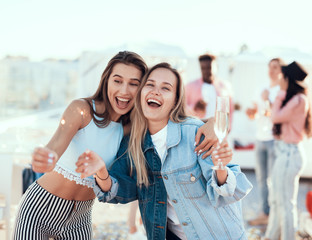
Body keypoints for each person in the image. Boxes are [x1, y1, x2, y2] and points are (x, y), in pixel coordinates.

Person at [76, 62, 253, 240]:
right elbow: (121, 191)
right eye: (150, 85)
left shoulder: (194, 133)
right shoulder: (133, 144)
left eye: (165, 88)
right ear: (141, 94)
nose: (156, 91)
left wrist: (221, 168)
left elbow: (226, 194)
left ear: (175, 101)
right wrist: (101, 172)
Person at [12, 51, 148, 239]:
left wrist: (205, 124)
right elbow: (55, 147)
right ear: (106, 80)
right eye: (117, 80)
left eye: (134, 84)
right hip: (38, 210)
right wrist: (46, 159)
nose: (124, 91)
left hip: (80, 219)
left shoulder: (129, 129)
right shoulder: (82, 110)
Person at [264, 61, 312, 240]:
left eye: (282, 76)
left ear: (287, 79)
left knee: (286, 204)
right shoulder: (296, 98)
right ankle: (270, 236)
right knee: (276, 201)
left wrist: (280, 93)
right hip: (285, 153)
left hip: (290, 154)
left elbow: (276, 117)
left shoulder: (299, 99)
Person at [246, 58, 284, 226]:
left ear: (281, 70)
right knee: (261, 179)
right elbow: (254, 113)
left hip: (274, 140)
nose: (271, 70)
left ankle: (275, 215)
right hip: (259, 138)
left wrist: (268, 101)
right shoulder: (260, 88)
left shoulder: (282, 91)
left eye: (275, 67)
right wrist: (251, 111)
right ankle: (264, 212)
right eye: (270, 67)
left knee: (273, 179)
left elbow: (276, 116)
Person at [185, 54, 233, 123]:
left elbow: (230, 110)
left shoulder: (225, 86)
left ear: (216, 67)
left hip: (218, 128)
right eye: (203, 68)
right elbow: (182, 108)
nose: (206, 71)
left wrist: (227, 129)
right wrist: (194, 107)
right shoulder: (190, 86)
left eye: (209, 68)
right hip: (197, 128)